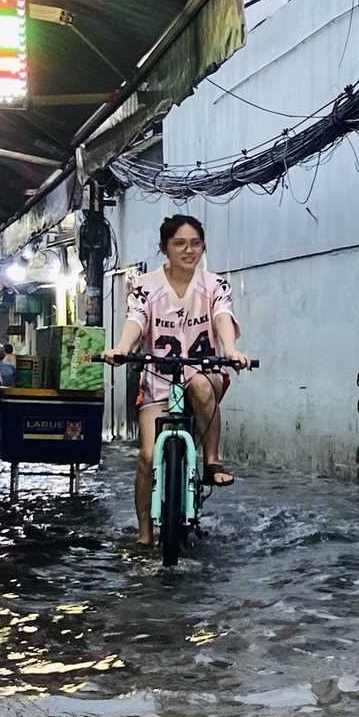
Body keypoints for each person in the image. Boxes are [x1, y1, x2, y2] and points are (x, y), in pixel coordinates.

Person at [110, 212, 250, 549]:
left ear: (203, 248)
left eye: (195, 244)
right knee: (146, 457)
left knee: (202, 385)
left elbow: (222, 317)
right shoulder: (145, 286)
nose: (188, 250)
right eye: (180, 244)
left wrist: (230, 349)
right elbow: (136, 320)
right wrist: (121, 348)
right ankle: (144, 531)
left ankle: (211, 461)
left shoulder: (215, 285)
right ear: (165, 248)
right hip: (158, 383)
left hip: (204, 374)